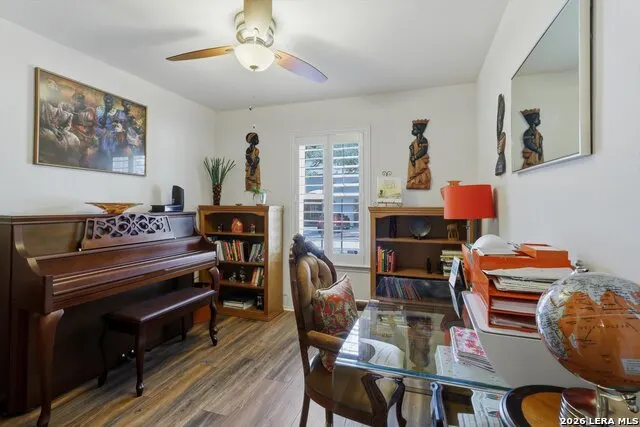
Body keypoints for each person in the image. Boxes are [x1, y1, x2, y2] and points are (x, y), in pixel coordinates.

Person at [406, 119, 431, 189]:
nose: (412, 130)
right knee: (414, 172)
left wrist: (415, 157)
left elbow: (423, 150)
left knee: (422, 173)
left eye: (414, 129)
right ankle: (414, 181)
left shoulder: (423, 140)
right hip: (414, 162)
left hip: (420, 160)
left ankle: (422, 182)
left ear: (420, 130)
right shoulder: (415, 141)